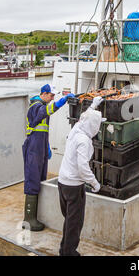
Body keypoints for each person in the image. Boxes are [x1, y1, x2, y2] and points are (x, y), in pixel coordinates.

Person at [22, 84, 74, 231]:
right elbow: (43, 113)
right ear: (44, 94)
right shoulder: (36, 106)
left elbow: (42, 128)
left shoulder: (41, 104)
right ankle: (29, 220)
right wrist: (59, 103)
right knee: (32, 179)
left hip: (40, 145)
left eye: (54, 96)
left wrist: (47, 146)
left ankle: (35, 216)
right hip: (33, 147)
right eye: (51, 95)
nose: (52, 98)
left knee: (40, 178)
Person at [57, 96, 105, 256]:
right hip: (73, 187)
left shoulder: (76, 129)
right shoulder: (84, 140)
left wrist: (93, 106)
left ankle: (64, 249)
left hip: (62, 183)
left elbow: (84, 118)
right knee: (75, 223)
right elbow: (83, 167)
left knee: (69, 219)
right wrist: (94, 183)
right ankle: (69, 252)